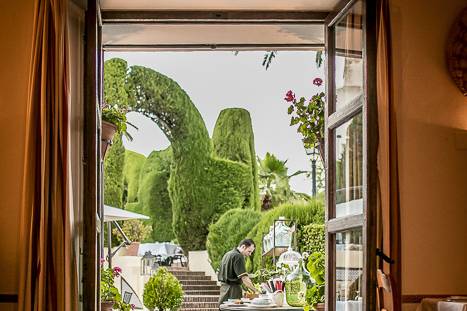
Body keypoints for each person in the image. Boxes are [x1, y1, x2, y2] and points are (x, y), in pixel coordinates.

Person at [218, 239, 259, 305]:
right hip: (233, 290)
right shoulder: (238, 256)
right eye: (249, 251)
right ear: (243, 247)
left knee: (224, 308)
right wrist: (256, 291)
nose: (250, 254)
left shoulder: (228, 254)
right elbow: (244, 278)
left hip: (223, 288)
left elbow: (231, 273)